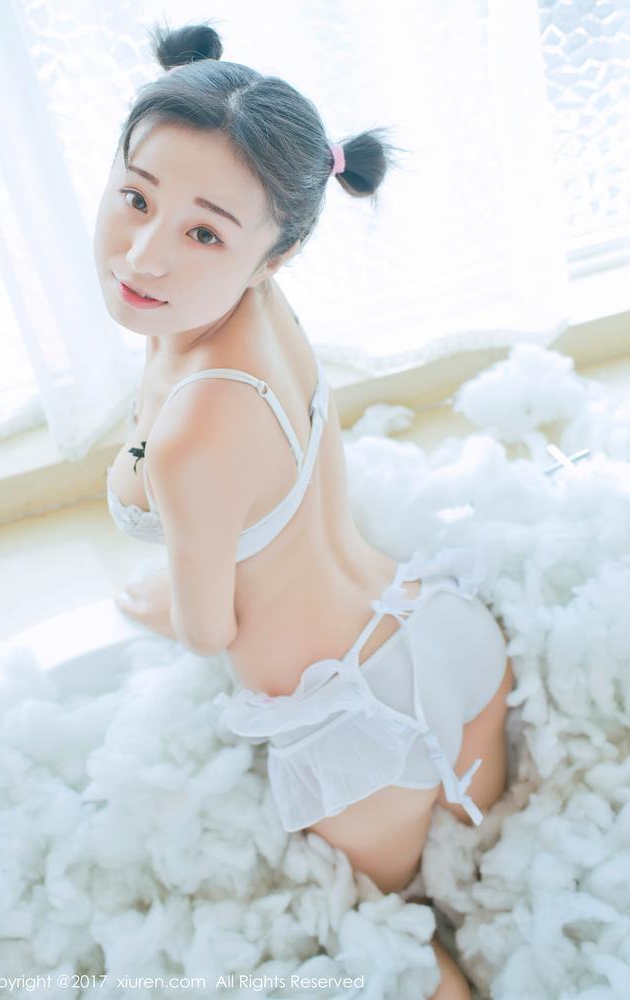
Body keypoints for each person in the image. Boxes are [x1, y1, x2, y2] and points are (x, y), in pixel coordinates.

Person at [94, 20, 514, 998]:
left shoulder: (194, 430)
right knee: (504, 878)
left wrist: (163, 597)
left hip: (353, 721)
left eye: (202, 231)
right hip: (439, 627)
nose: (144, 254)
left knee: (400, 940)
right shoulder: (251, 310)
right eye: (136, 197)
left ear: (271, 253)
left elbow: (208, 629)